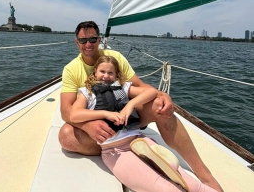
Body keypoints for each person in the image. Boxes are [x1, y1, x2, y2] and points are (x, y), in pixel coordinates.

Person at [59, 21, 223, 192]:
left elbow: (142, 88)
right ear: (76, 42)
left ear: (99, 40)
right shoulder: (72, 71)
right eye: (83, 40)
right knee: (66, 136)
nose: (88, 44)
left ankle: (204, 175)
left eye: (92, 39)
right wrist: (89, 125)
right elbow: (67, 112)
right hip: (101, 133)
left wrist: (161, 95)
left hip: (126, 121)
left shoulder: (115, 58)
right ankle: (118, 152)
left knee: (158, 104)